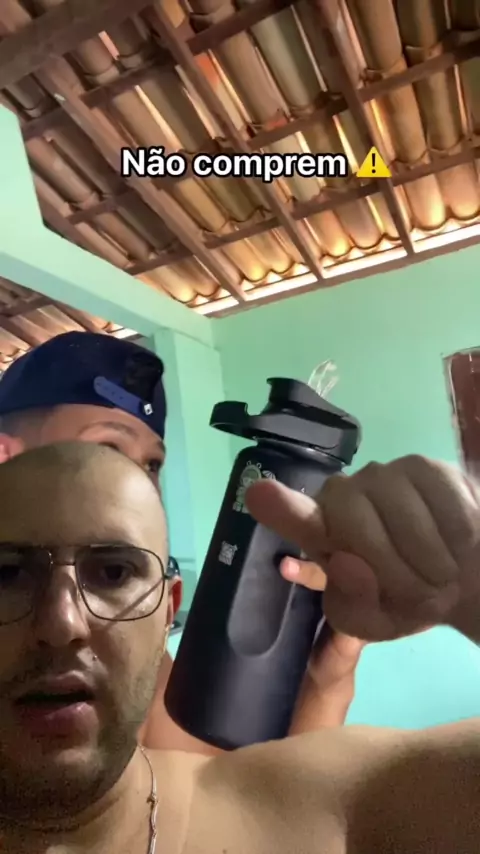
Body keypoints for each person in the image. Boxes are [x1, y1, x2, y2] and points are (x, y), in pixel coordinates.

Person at [0, 441, 477, 853]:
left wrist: (473, 592)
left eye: (113, 572)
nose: (61, 624)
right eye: (8, 574)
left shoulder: (312, 811)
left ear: (167, 612)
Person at [0, 331, 364, 752]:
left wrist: (328, 679)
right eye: (108, 449)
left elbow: (231, 780)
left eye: (151, 464)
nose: (140, 487)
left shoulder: (125, 620)